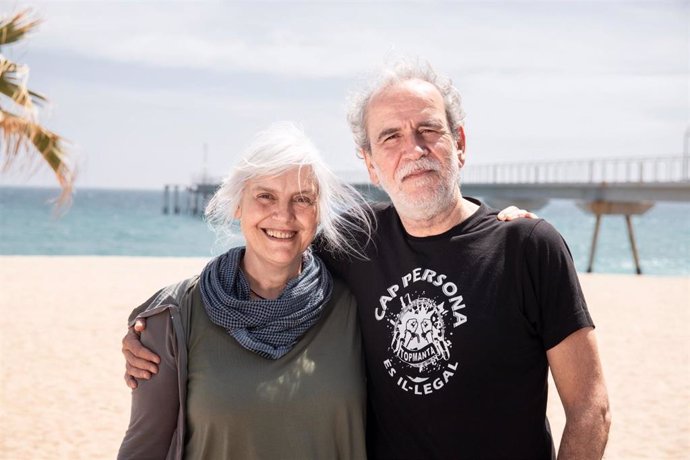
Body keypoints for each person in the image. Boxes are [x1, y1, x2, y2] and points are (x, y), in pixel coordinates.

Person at [124, 58, 611, 459]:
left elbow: (590, 409)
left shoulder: (528, 246)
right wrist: (152, 323)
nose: (413, 149)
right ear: (370, 164)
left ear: (459, 144)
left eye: (429, 130)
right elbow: (269, 248)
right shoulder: (355, 241)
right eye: (390, 137)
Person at [118, 122, 375, 459]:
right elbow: (144, 448)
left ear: (318, 213)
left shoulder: (357, 304)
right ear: (238, 204)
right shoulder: (175, 316)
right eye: (265, 196)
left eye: (302, 199)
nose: (283, 215)